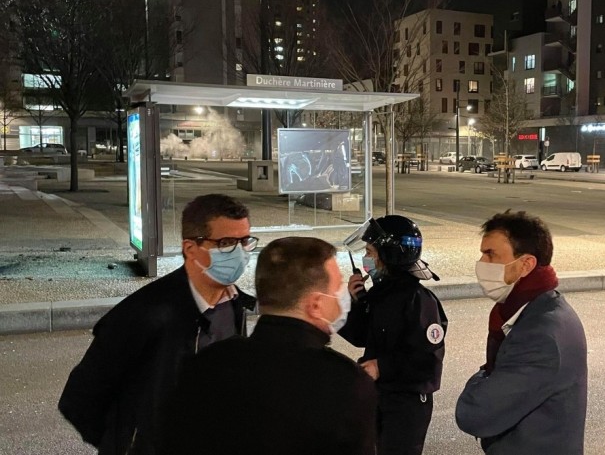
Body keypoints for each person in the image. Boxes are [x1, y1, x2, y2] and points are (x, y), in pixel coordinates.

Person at [58, 194, 257, 454]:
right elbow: (80, 399)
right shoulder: (142, 313)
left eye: (245, 241)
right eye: (226, 243)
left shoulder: (235, 304)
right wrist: (129, 446)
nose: (240, 253)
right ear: (190, 248)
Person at [162, 237, 378, 455]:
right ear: (315, 305)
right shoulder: (346, 384)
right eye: (337, 287)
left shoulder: (205, 364)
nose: (341, 295)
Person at [455, 210, 588, 455]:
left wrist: (483, 377)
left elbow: (474, 413)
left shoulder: (539, 335)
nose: (481, 263)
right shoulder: (544, 307)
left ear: (525, 264)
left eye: (491, 254)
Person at [340, 215, 448, 455]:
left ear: (388, 255)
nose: (366, 258)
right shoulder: (382, 293)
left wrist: (382, 366)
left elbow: (428, 361)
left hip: (406, 402)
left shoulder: (418, 300)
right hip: (380, 394)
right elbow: (360, 336)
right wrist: (355, 302)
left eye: (370, 252)